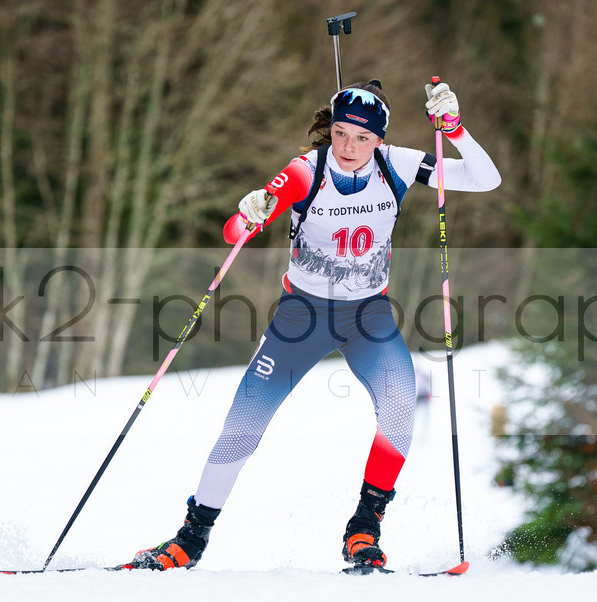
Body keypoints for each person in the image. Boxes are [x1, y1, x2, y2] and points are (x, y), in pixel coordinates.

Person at [127, 79, 501, 571]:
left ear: (379, 140)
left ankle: (364, 531)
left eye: (363, 138)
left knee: (398, 408)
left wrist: (453, 128)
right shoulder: (308, 171)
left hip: (368, 317)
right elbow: (235, 231)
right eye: (342, 133)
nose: (349, 147)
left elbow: (485, 178)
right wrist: (249, 213)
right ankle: (189, 540)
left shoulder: (399, 164)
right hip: (300, 317)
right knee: (243, 427)